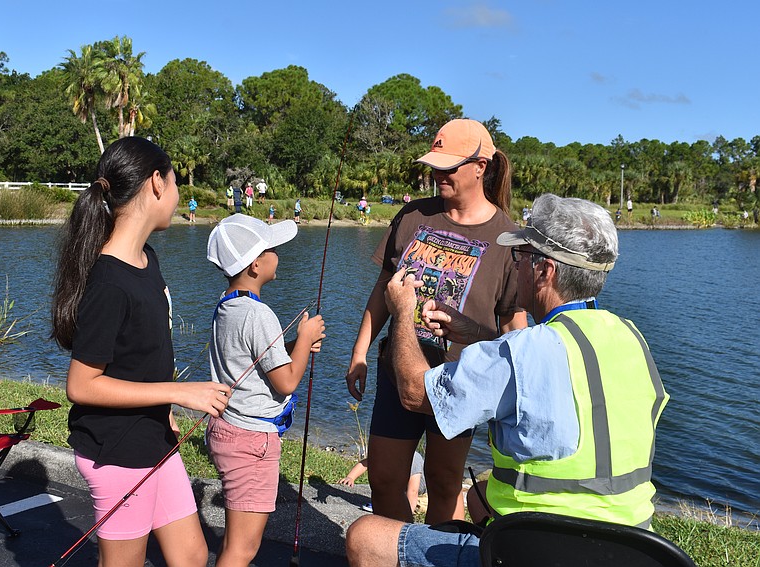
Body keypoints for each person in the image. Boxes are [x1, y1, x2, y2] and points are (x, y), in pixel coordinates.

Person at [346, 193, 670, 567]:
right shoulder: (631, 337)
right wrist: (477, 333)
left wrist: (404, 313)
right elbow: (536, 366)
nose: (516, 267)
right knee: (476, 497)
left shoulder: (523, 351)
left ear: (545, 270)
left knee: (364, 537)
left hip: (539, 551)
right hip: (629, 550)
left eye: (521, 256)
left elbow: (416, 393)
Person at [50, 137, 233, 567]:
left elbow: (141, 356)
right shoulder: (109, 282)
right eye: (175, 183)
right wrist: (178, 392)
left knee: (191, 556)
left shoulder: (147, 260)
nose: (178, 195)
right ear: (156, 183)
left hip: (153, 437)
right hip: (118, 451)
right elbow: (81, 386)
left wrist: (165, 410)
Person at [345, 118, 528, 525]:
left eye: (449, 168)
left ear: (480, 167)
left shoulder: (509, 239)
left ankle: (438, 550)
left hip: (461, 381)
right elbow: (383, 289)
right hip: (397, 371)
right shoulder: (412, 217)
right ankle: (399, 548)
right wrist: (359, 353)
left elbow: (513, 321)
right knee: (384, 478)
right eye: (434, 167)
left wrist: (518, 389)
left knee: (444, 482)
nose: (438, 175)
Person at [205, 214, 326, 567]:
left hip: (227, 429)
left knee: (234, 542)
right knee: (243, 549)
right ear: (256, 264)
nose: (277, 254)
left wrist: (293, 347)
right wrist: (304, 340)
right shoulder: (259, 315)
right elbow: (286, 381)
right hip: (251, 441)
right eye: (272, 249)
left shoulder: (228, 304)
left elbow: (252, 358)